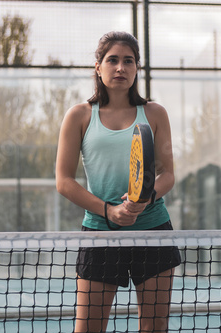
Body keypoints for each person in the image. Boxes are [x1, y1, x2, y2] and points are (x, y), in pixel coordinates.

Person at [55, 31, 181, 333]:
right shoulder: (79, 116)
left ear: (137, 68)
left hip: (153, 232)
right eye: (112, 60)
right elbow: (64, 181)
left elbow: (168, 174)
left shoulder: (155, 113)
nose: (120, 68)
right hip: (100, 235)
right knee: (87, 329)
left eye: (129, 61)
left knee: (154, 328)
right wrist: (109, 211)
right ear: (98, 67)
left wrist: (143, 202)